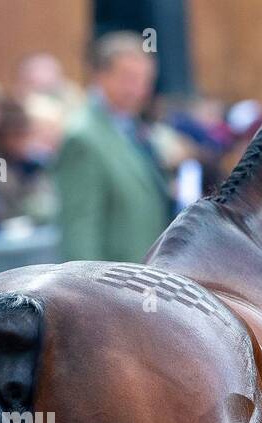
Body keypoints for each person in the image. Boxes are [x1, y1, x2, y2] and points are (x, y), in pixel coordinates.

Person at [53, 31, 172, 262]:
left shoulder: (134, 128)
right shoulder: (83, 137)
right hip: (111, 284)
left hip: (142, 275)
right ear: (100, 76)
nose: (139, 90)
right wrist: (85, 290)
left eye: (145, 80)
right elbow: (81, 227)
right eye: (129, 78)